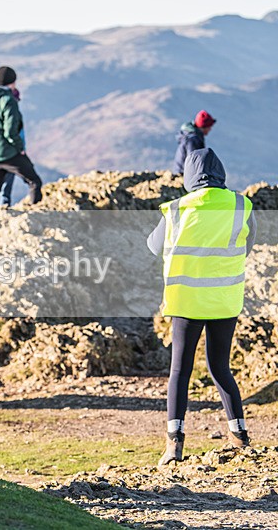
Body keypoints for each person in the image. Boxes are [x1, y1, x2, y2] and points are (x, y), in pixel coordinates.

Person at [147, 148, 256, 465]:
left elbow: (153, 246)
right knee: (220, 367)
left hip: (186, 301)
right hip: (224, 300)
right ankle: (239, 436)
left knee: (180, 370)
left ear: (190, 178)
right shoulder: (240, 205)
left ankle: (174, 444)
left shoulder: (178, 209)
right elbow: (246, 247)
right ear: (221, 174)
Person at [0, 65, 42, 207]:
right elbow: (10, 131)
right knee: (35, 182)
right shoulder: (8, 100)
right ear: (13, 82)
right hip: (9, 154)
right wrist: (20, 149)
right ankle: (36, 213)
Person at [172, 110, 216, 175]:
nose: (210, 129)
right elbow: (194, 162)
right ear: (204, 126)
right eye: (209, 127)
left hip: (179, 171)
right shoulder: (194, 140)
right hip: (184, 175)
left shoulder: (189, 136)